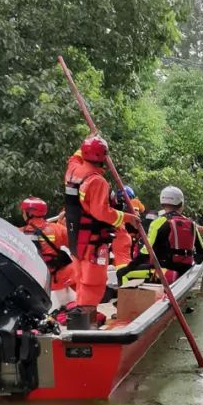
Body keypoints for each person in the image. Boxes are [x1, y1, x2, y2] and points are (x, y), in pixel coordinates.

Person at [63, 135, 140, 330]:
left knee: (81, 279)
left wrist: (90, 140)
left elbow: (74, 157)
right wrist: (127, 217)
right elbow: (102, 212)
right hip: (92, 242)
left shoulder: (73, 171)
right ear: (103, 157)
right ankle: (85, 324)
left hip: (76, 239)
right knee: (94, 283)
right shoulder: (97, 182)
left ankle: (82, 315)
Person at [120, 186, 203, 282]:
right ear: (181, 204)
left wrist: (129, 267)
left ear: (162, 204)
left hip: (165, 272)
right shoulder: (191, 223)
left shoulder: (158, 222)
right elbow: (201, 254)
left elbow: (146, 253)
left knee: (121, 273)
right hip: (185, 270)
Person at [19, 197, 75, 308]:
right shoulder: (57, 229)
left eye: (23, 211)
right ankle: (82, 303)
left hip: (34, 281)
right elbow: (75, 246)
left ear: (29, 213)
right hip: (57, 279)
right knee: (81, 266)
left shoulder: (18, 233)